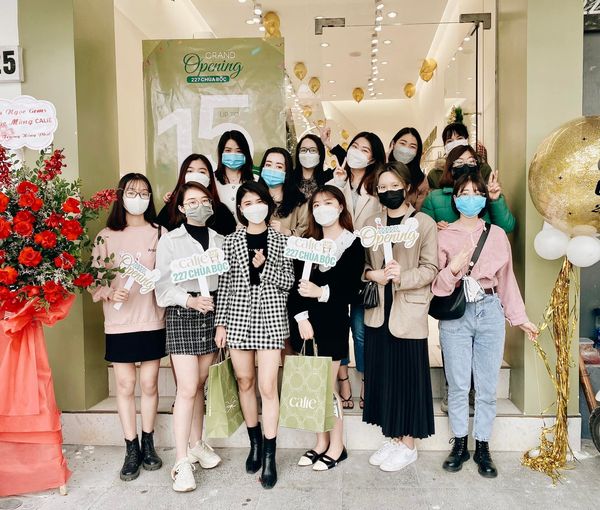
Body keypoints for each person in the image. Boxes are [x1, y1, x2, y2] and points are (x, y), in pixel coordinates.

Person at [431, 173, 538, 478]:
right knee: (458, 383)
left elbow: (506, 280)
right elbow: (436, 286)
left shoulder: (497, 235)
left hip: (490, 310)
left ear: (483, 199)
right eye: (464, 193)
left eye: (477, 193)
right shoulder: (443, 235)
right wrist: (452, 269)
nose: (471, 198)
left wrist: (520, 318)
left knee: (487, 385)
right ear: (455, 199)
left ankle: (482, 446)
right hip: (457, 312)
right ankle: (459, 444)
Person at [215, 181, 294, 490]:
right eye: (247, 203)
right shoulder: (230, 242)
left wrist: (266, 267)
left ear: (268, 204)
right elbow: (224, 285)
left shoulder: (282, 241)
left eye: (258, 201)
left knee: (268, 386)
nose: (253, 207)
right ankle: (255, 443)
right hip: (237, 319)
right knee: (245, 381)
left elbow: (289, 282)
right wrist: (221, 324)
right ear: (240, 208)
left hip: (271, 319)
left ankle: (271, 455)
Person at [362, 162, 438, 472]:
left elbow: (430, 268)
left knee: (408, 377)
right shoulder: (372, 224)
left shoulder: (423, 223)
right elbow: (361, 265)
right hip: (379, 312)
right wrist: (373, 274)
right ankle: (393, 437)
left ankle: (409, 444)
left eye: (394, 186)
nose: (388, 191)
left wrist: (401, 276)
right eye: (382, 187)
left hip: (408, 311)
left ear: (406, 187)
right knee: (385, 377)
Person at [91, 173, 166, 482]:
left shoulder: (159, 232)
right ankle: (131, 447)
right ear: (121, 196)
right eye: (133, 192)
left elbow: (169, 274)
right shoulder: (105, 236)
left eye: (144, 192)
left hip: (151, 319)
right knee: (125, 385)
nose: (139, 198)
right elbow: (94, 278)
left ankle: (148, 443)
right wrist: (109, 292)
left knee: (149, 384)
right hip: (119, 322)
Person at [288, 185, 365, 471]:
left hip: (333, 323)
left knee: (326, 388)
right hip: (307, 325)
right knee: (313, 387)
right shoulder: (306, 242)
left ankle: (337, 445)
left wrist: (321, 292)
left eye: (328, 203)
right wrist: (301, 318)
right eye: (317, 205)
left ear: (341, 206)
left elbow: (351, 288)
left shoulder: (352, 243)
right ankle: (320, 442)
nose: (322, 209)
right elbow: (294, 286)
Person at [155, 182, 223, 492]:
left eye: (204, 200)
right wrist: (190, 301)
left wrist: (219, 319)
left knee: (199, 385)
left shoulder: (220, 240)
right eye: (192, 201)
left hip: (212, 314)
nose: (200, 205)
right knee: (185, 387)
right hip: (183, 313)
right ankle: (181, 461)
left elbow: (226, 281)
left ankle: (197, 443)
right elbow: (162, 287)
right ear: (181, 208)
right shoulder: (170, 241)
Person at [329, 131, 386, 411]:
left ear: (373, 158)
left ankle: (365, 379)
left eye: (365, 149)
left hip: (365, 265)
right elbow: (324, 207)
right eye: (354, 146)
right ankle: (342, 379)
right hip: (336, 265)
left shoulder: (378, 186)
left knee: (361, 329)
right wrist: (337, 183)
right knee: (337, 326)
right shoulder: (337, 180)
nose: (357, 152)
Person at [421, 145, 515, 234]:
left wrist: (495, 200)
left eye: (471, 162)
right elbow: (423, 233)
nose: (466, 166)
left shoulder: (483, 194)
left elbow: (506, 228)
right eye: (459, 162)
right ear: (451, 169)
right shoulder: (433, 198)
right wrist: (435, 229)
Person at [156, 153, 236, 236]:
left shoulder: (222, 211)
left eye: (202, 172)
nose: (196, 175)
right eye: (190, 171)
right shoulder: (170, 209)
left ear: (210, 179)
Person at [258, 147, 309, 236]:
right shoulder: (253, 196)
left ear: (287, 172)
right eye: (268, 165)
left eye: (279, 167)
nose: (272, 170)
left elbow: (306, 232)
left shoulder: (299, 202)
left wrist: (287, 232)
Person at [426, 122, 492, 189]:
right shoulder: (434, 175)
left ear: (467, 140)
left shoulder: (483, 169)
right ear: (445, 147)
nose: (455, 143)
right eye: (450, 141)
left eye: (459, 138)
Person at [388, 127, 430, 211]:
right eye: (402, 143)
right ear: (393, 144)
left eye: (412, 146)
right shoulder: (379, 170)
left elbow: (419, 213)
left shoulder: (421, 180)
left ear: (417, 152)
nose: (406, 150)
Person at [214, 130, 255, 216]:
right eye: (228, 150)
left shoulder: (256, 180)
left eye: (239, 151)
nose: (233, 155)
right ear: (221, 153)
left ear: (245, 154)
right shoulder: (211, 179)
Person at [292, 133, 333, 200]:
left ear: (320, 154)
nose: (307, 154)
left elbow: (346, 161)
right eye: (303, 150)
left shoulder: (328, 177)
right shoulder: (289, 178)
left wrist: (328, 144)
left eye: (313, 150)